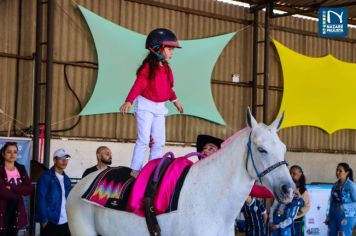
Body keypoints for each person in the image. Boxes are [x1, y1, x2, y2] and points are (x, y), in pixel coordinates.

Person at [120, 28, 184, 178]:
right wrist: (129, 100)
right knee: (143, 139)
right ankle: (135, 169)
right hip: (145, 106)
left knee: (159, 141)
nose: (171, 52)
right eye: (169, 49)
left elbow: (169, 89)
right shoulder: (148, 67)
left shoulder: (167, 69)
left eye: (172, 49)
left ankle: (152, 169)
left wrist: (176, 101)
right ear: (156, 48)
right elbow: (139, 84)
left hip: (159, 107)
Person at [196, 134, 274, 199]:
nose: (205, 151)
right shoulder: (195, 171)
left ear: (220, 154)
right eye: (204, 149)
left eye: (211, 148)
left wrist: (275, 191)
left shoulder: (227, 176)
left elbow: (252, 190)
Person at [35, 148, 72, 236]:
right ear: (54, 160)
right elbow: (41, 199)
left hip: (66, 221)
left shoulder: (67, 179)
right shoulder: (45, 177)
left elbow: (68, 199)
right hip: (51, 221)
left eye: (66, 158)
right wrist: (44, 220)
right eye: (61, 158)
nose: (64, 161)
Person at [0, 142, 32, 236]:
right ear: (3, 154)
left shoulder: (21, 169)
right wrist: (20, 192)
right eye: (9, 152)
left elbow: (29, 189)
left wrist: (12, 187)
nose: (12, 154)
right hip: (2, 209)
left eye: (15, 152)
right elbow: (2, 191)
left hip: (17, 209)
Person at [325, 162, 356, 236]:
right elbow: (331, 201)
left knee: (343, 234)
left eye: (340, 171)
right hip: (333, 213)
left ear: (347, 172)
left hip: (347, 215)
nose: (337, 172)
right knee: (331, 233)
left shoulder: (351, 185)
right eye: (337, 170)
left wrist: (344, 206)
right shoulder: (335, 185)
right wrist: (328, 216)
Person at [289, 165, 310, 236]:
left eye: (294, 173)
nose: (291, 175)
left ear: (300, 175)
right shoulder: (286, 187)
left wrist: (297, 213)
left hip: (296, 223)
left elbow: (307, 206)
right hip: (283, 222)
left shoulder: (303, 191)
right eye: (290, 173)